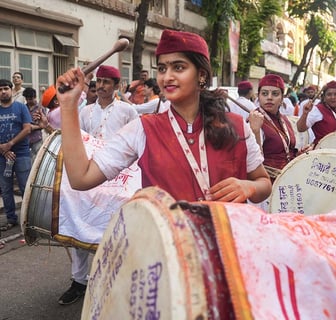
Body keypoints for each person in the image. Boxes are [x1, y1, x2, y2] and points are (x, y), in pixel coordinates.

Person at [56, 27, 270, 215]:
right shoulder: (143, 129)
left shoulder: (236, 126)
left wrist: (247, 187)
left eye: (178, 67)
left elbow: (263, 183)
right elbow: (81, 178)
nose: (166, 77)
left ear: (201, 75)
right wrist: (68, 106)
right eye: (161, 68)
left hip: (228, 251)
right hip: (169, 255)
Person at [55, 65, 139, 305]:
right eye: (98, 81)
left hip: (117, 181)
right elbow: (76, 141)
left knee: (111, 231)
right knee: (78, 227)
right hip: (88, 176)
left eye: (106, 82)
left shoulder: (127, 111)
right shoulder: (84, 111)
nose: (101, 86)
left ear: (117, 86)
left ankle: (111, 284)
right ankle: (79, 281)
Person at [248, 74, 297, 180]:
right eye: (264, 93)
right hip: (267, 185)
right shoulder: (255, 120)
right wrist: (255, 131)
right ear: (259, 97)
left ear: (282, 98)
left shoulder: (284, 119)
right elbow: (254, 161)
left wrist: (301, 153)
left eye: (275, 94)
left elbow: (286, 150)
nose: (269, 97)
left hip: (287, 179)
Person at [0, 79, 32, 230]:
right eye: (0, 89)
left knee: (25, 187)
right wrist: (3, 149)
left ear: (12, 90)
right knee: (6, 189)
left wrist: (10, 144)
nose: (3, 91)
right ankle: (11, 218)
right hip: (2, 157)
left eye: (6, 88)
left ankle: (28, 219)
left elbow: (27, 129)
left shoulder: (21, 107)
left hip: (22, 154)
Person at [297, 80, 336, 146]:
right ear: (324, 97)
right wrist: (305, 114)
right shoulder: (317, 110)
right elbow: (300, 128)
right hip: (323, 152)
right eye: (329, 94)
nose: (333, 97)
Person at [22, 88, 46, 163]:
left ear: (35, 97)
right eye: (27, 99)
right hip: (25, 138)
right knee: (26, 160)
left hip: (36, 138)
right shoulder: (23, 108)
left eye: (30, 99)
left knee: (37, 159)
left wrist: (34, 127)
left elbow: (43, 125)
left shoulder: (40, 108)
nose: (29, 101)